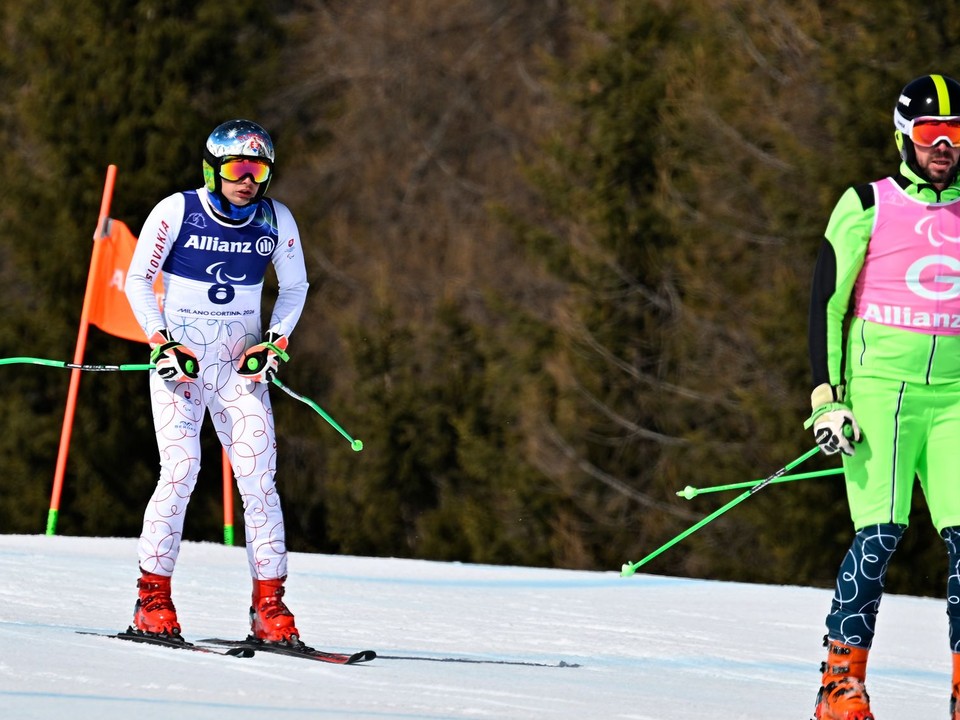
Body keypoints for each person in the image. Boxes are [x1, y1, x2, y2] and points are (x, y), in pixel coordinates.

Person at [805, 73, 960, 719]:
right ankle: (840, 685)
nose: (944, 146)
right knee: (879, 537)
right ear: (905, 135)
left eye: (954, 134)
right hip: (881, 395)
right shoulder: (866, 203)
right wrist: (826, 398)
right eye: (931, 133)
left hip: (955, 399)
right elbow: (826, 304)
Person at [124, 119, 309, 646]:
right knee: (181, 471)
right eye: (237, 168)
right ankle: (152, 599)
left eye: (259, 170)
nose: (248, 180)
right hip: (180, 367)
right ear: (213, 168)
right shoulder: (176, 210)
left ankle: (269, 607)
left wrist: (272, 342)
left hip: (237, 372)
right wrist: (161, 341)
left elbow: (295, 288)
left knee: (260, 484)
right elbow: (140, 278)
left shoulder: (277, 219)